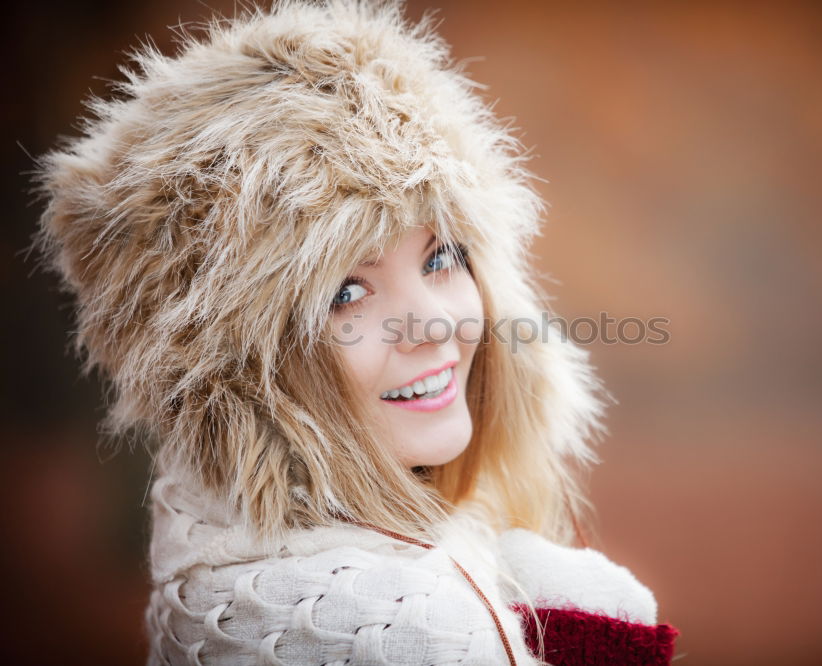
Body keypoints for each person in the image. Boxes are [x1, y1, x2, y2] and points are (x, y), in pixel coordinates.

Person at [30, 0, 679, 663]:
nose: (431, 323)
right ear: (237, 372)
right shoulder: (406, 631)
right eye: (347, 291)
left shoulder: (219, 557)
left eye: (441, 257)